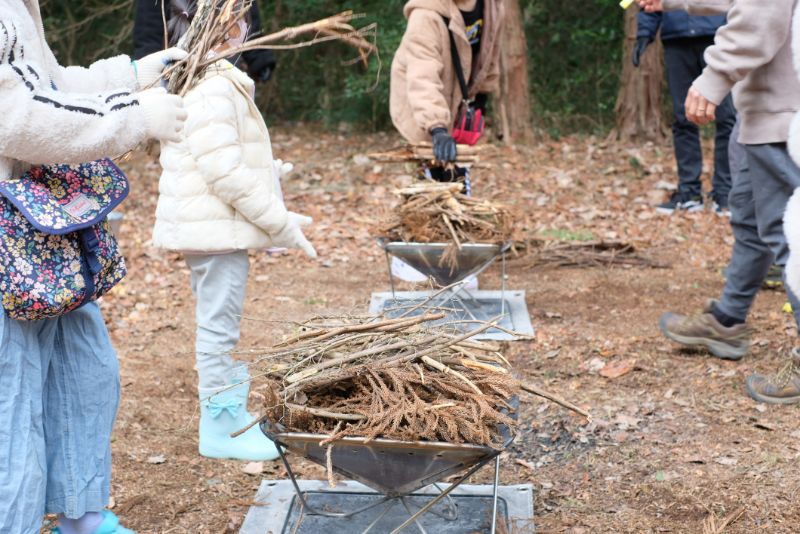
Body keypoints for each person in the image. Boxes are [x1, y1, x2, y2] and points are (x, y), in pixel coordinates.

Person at [0, 0, 187, 532]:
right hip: (6, 235)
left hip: (38, 224)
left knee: (83, 368)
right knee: (10, 393)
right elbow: (13, 115)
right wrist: (132, 117)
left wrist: (129, 77)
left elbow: (49, 84)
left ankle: (80, 514)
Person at [151, 0, 317, 462]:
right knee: (218, 328)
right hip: (214, 233)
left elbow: (222, 155)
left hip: (214, 229)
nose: (247, 29)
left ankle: (226, 420)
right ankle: (221, 428)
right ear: (224, 33)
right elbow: (223, 173)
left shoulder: (211, 81)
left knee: (218, 324)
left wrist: (268, 172)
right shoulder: (213, 87)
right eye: (239, 23)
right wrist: (279, 222)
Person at [638, 0, 800, 404]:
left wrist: (713, 77)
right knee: (748, 216)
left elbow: (761, 14)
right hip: (764, 111)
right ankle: (728, 319)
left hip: (783, 113)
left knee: (790, 236)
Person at [633, 9, 736, 215]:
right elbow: (651, 3)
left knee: (727, 118)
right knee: (682, 119)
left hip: (716, 37)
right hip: (676, 39)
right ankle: (689, 192)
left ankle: (725, 192)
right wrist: (645, 31)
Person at [390, 0, 504, 174]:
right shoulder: (424, 16)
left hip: (457, 96)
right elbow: (422, 77)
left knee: (457, 179)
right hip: (420, 106)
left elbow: (490, 55)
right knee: (430, 184)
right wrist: (437, 128)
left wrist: (481, 99)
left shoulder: (492, 8)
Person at [133, 0, 277, 83]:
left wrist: (259, 57)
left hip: (229, 70)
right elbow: (148, 28)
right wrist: (149, 64)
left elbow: (246, 18)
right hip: (180, 72)